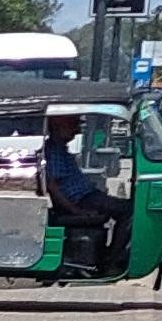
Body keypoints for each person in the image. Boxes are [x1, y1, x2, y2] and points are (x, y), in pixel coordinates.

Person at [36, 115, 119, 272]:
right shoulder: (53, 151)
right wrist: (76, 210)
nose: (77, 129)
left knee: (127, 207)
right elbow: (53, 187)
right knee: (127, 211)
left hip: (88, 196)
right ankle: (114, 261)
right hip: (82, 200)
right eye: (72, 124)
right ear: (58, 127)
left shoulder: (61, 150)